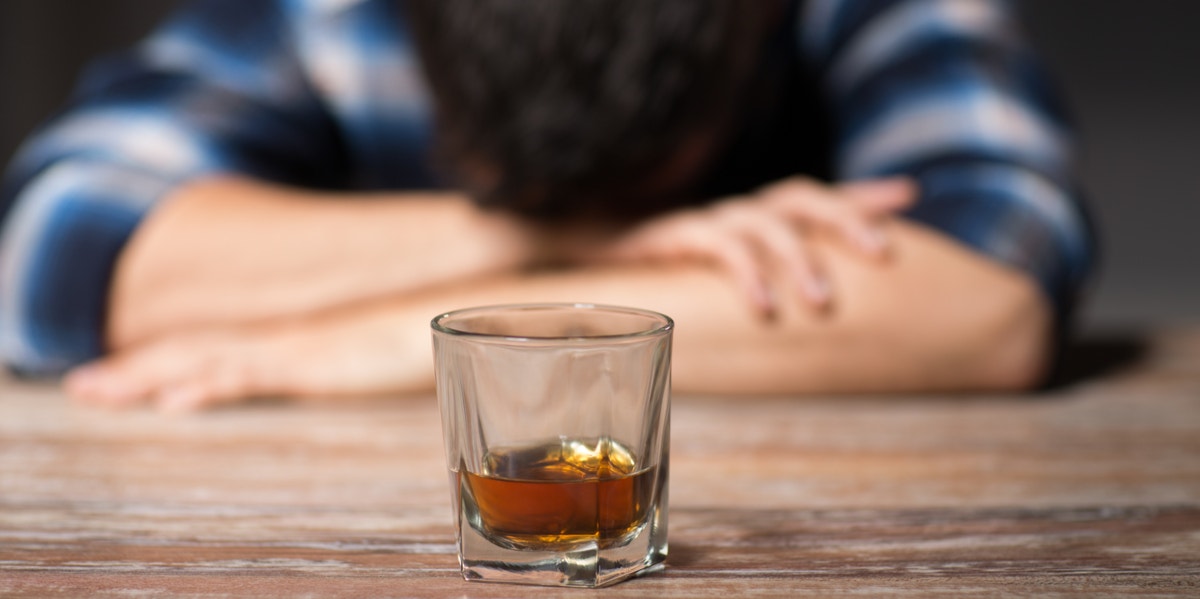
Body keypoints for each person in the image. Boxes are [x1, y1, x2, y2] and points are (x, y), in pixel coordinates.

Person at [0, 0, 1093, 412]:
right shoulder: (327, 15)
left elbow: (990, 298)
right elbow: (48, 250)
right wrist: (568, 243)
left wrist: (382, 342)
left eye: (650, 184)